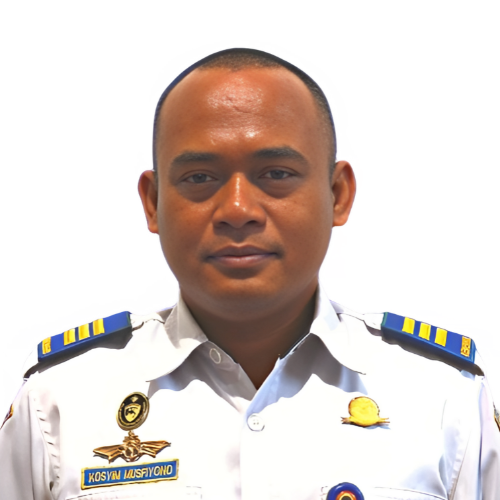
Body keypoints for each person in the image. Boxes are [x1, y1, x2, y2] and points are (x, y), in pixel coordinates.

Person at [0, 47, 498, 500]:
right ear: (152, 203)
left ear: (338, 195)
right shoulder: (58, 400)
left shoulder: (444, 395)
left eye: (276, 174)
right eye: (200, 177)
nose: (237, 210)